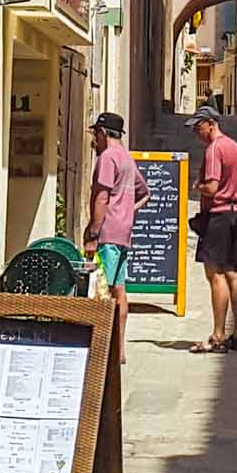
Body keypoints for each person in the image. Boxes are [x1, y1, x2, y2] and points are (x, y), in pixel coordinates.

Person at [82, 112, 148, 363]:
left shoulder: (108, 157)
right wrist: (128, 211)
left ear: (103, 132)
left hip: (108, 234)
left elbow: (101, 196)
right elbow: (146, 193)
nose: (94, 141)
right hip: (124, 233)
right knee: (119, 290)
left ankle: (103, 350)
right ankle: (118, 350)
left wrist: (93, 233)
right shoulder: (127, 159)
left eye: (95, 135)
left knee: (102, 291)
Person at [189, 107, 237, 353]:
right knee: (233, 273)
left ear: (210, 124)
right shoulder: (234, 146)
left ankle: (219, 334)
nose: (196, 133)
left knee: (215, 275)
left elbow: (212, 187)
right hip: (236, 214)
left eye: (198, 127)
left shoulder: (214, 149)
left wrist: (197, 186)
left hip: (218, 216)